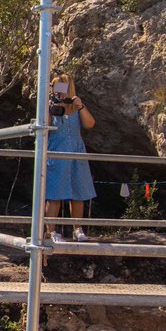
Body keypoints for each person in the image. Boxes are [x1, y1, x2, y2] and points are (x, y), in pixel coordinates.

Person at [45, 73, 96, 242]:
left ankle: (78, 229)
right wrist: (49, 107)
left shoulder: (76, 107)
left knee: (78, 192)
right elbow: (44, 126)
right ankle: (51, 231)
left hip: (76, 153)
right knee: (54, 194)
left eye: (63, 87)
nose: (60, 92)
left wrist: (80, 106)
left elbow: (90, 124)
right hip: (57, 153)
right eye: (56, 87)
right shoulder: (50, 107)